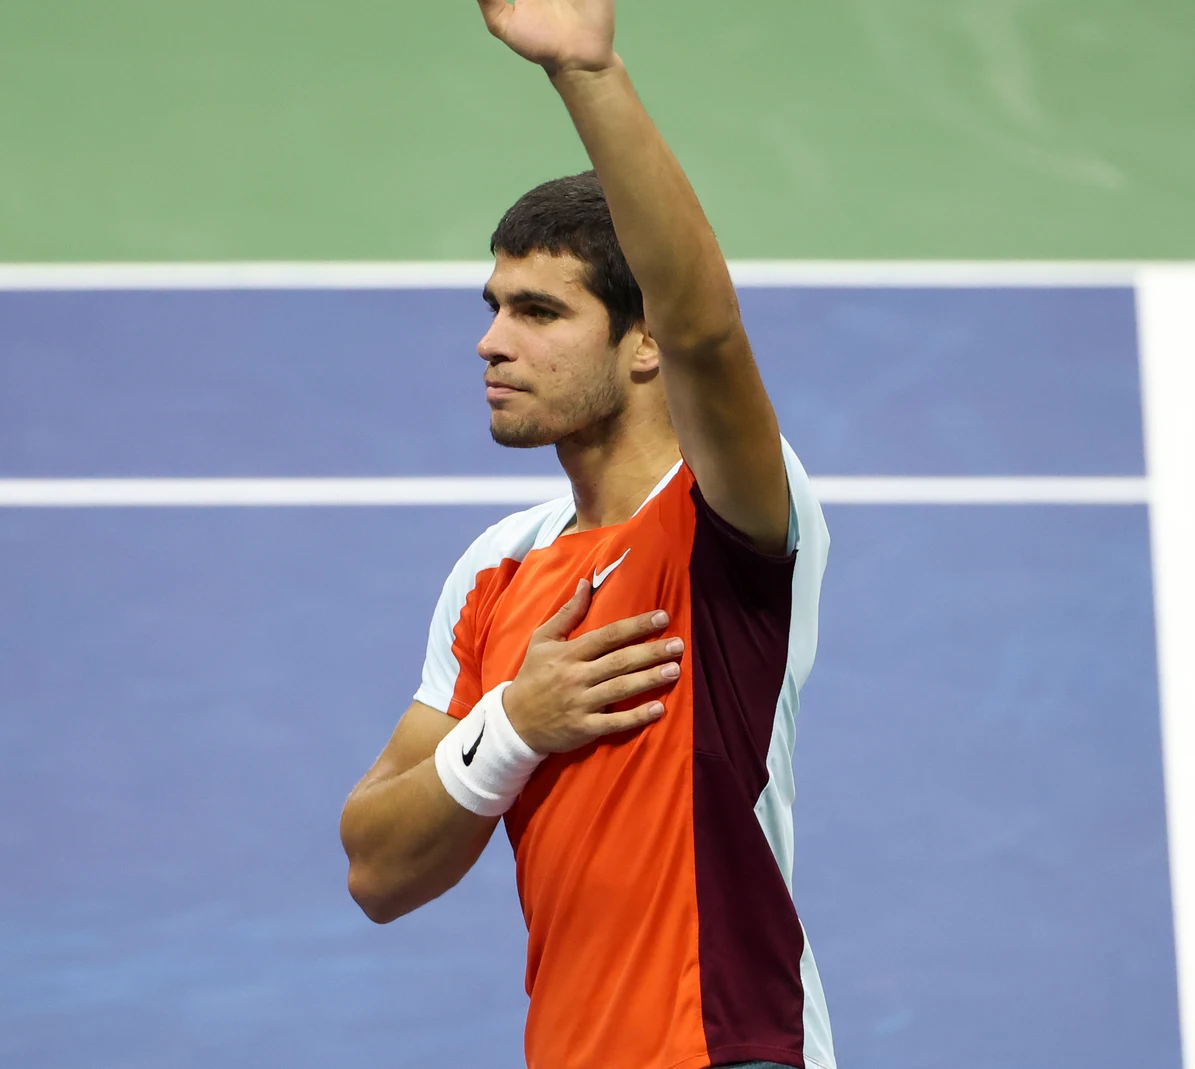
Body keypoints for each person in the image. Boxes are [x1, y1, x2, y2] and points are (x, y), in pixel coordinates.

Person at [337, 2, 835, 1068]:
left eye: (539, 313)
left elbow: (708, 325)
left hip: (727, 1047)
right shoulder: (497, 569)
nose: (489, 342)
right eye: (494, 305)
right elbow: (376, 868)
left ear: (642, 342)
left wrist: (584, 70)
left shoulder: (721, 515)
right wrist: (514, 723)